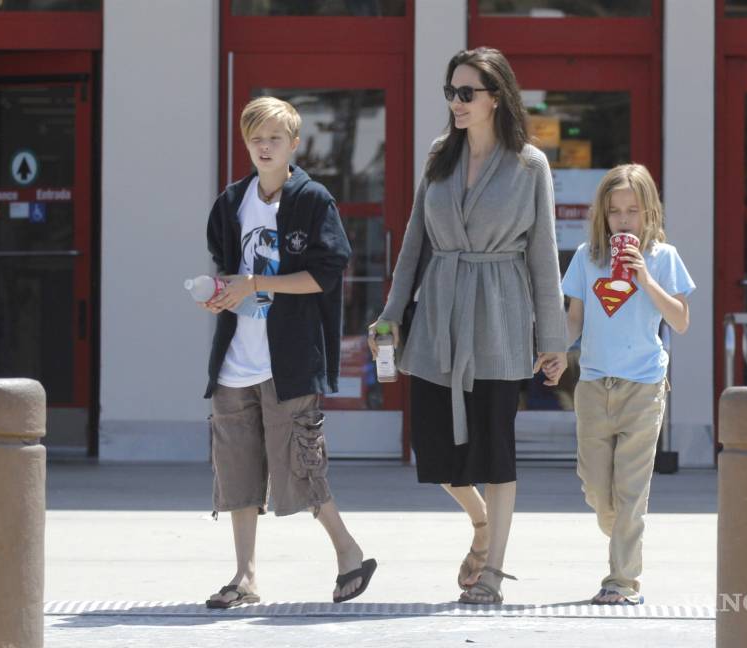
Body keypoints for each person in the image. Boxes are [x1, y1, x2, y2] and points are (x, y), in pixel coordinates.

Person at [368, 47, 567, 605]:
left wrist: (553, 340)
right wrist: (392, 315)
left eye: (466, 93)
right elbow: (415, 243)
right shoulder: (440, 155)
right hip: (439, 313)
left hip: (500, 316)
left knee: (495, 450)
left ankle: (493, 571)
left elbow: (544, 256)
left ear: (496, 97)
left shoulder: (529, 165)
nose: (455, 103)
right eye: (450, 92)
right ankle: (481, 523)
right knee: (434, 449)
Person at [201, 96, 376, 608]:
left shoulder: (312, 200)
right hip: (235, 358)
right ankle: (245, 577)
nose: (265, 146)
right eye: (255, 137)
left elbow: (324, 275)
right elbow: (227, 268)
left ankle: (348, 551)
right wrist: (220, 293)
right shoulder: (232, 201)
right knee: (236, 471)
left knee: (301, 464)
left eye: (275, 138)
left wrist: (256, 282)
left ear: (294, 143)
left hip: (290, 358)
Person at [550, 163, 695, 605]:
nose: (624, 220)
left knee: (632, 491)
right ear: (602, 214)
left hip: (644, 386)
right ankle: (624, 535)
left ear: (649, 211)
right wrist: (556, 352)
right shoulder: (586, 257)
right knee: (597, 489)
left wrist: (645, 278)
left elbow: (680, 321)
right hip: (594, 384)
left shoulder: (664, 258)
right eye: (615, 211)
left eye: (633, 210)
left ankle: (622, 580)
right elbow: (574, 318)